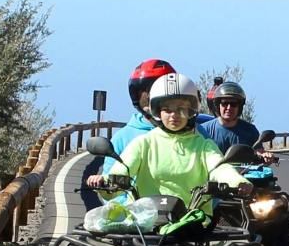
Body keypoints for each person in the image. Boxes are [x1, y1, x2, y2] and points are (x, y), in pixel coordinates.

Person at [89, 58, 233, 188]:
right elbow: (113, 181)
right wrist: (127, 205)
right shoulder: (128, 138)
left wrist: (234, 182)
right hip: (139, 213)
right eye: (142, 91)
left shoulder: (199, 136)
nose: (146, 96)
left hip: (192, 212)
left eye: (153, 88)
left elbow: (217, 168)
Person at [108, 73, 251, 202]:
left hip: (192, 221)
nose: (174, 115)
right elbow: (124, 167)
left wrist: (237, 182)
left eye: (181, 109)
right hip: (145, 220)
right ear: (157, 111)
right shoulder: (144, 143)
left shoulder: (203, 146)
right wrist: (105, 181)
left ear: (191, 111)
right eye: (167, 109)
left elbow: (219, 168)